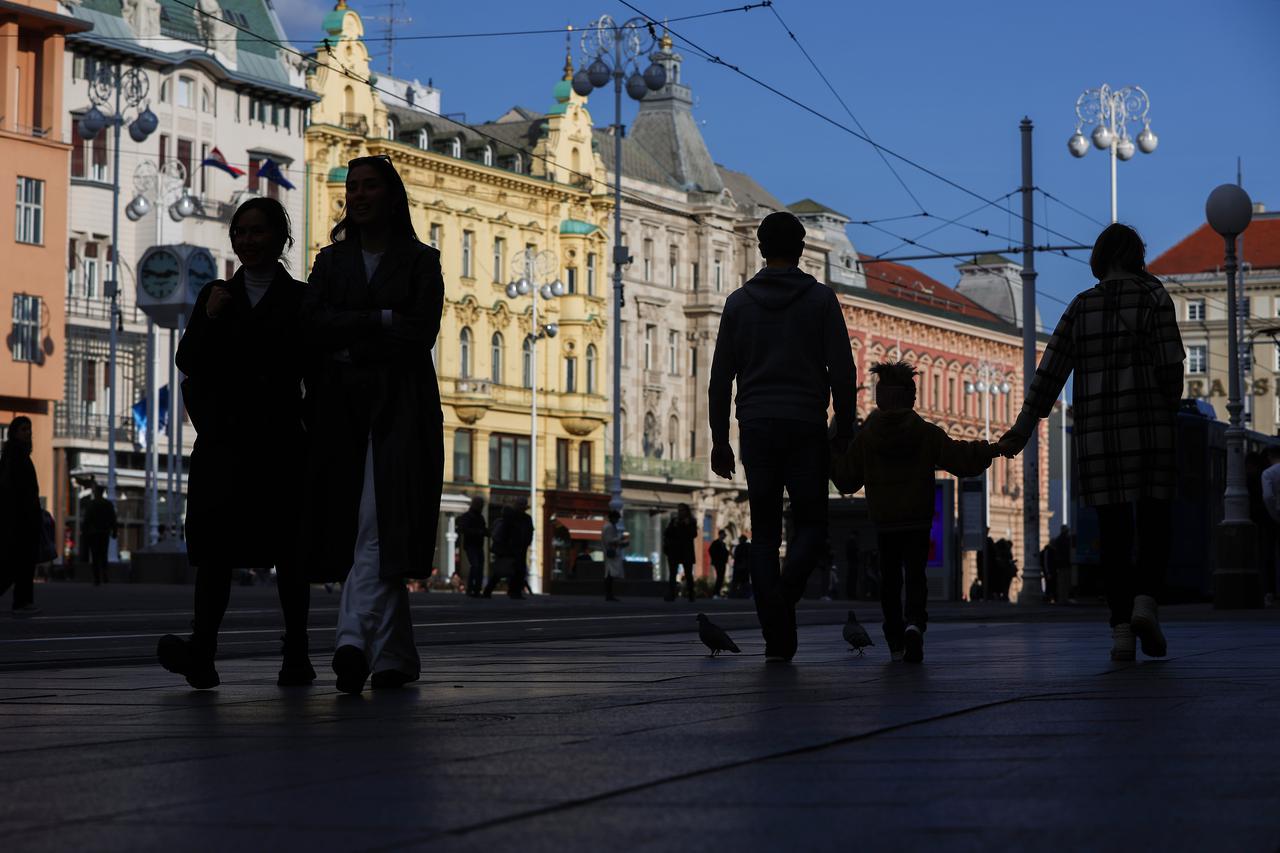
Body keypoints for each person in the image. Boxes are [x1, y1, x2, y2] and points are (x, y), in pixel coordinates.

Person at [999, 223, 1184, 662]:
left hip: (1099, 439)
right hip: (1150, 432)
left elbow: (1050, 376)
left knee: (1114, 534)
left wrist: (1023, 428)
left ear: (1099, 259)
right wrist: (1163, 400)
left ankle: (1120, 629)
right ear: (1137, 256)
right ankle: (1145, 603)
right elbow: (1172, 369)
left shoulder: (1081, 307)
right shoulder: (1155, 298)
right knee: (1154, 523)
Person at [299, 155, 445, 694]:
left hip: (400, 409)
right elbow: (312, 325)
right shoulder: (331, 261)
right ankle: (396, 658)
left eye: (368, 187)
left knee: (377, 521)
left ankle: (350, 640)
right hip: (340, 410)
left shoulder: (420, 261)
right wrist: (381, 319)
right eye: (351, 188)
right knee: (368, 525)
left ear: (391, 195)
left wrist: (351, 334)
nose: (357, 196)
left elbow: (420, 332)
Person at [155, 197, 312, 690]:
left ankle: (297, 652)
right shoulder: (216, 294)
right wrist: (213, 316)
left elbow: (314, 368)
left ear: (280, 238)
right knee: (215, 552)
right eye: (240, 232)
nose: (246, 240)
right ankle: (203, 651)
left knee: (290, 552)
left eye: (257, 231)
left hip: (280, 442)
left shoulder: (302, 299)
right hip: (224, 443)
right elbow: (188, 360)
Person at [708, 210, 855, 661]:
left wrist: (720, 439)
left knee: (766, 530)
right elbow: (844, 372)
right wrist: (844, 428)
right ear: (802, 249)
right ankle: (783, 598)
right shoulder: (821, 301)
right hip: (806, 426)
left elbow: (719, 379)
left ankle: (776, 627)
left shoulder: (738, 303)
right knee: (812, 524)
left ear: (760, 248)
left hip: (756, 427)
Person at [831, 361, 997, 662]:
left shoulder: (867, 436)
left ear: (881, 397)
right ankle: (915, 626)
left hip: (884, 521)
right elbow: (960, 459)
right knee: (916, 576)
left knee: (890, 580)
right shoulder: (924, 432)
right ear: (909, 397)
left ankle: (894, 639)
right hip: (918, 519)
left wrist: (830, 449)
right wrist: (990, 450)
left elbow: (846, 479)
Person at [0, 416, 43, 616]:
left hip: (23, 518)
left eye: (29, 429)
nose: (28, 433)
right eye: (23, 429)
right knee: (17, 563)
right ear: (15, 433)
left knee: (21, 563)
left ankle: (23, 600)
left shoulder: (19, 455)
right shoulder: (15, 456)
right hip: (18, 520)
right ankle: (22, 601)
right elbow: (11, 489)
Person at [485, 496, 533, 599]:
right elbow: (505, 533)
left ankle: (514, 592)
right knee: (502, 570)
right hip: (509, 549)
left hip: (519, 548)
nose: (522, 507)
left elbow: (529, 532)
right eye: (520, 505)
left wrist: (526, 543)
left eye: (523, 505)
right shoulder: (512, 517)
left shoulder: (525, 518)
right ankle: (489, 591)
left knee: (518, 571)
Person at [81, 485, 117, 586]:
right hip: (104, 532)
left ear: (96, 492)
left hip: (93, 533)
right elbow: (113, 518)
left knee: (95, 555)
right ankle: (105, 574)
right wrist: (114, 530)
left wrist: (84, 531)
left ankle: (97, 578)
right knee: (103, 554)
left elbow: (87, 519)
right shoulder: (107, 504)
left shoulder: (91, 504)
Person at [662, 505, 698, 602]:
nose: (680, 512)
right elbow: (667, 533)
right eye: (679, 510)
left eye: (682, 510)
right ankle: (672, 594)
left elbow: (694, 534)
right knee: (673, 573)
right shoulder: (674, 521)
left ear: (687, 511)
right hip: (675, 551)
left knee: (688, 574)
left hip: (686, 551)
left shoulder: (691, 521)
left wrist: (687, 525)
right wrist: (674, 525)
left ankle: (691, 594)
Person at [456, 496, 489, 598]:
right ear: (476, 505)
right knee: (475, 565)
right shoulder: (468, 516)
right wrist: (479, 532)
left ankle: (476, 590)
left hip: (478, 545)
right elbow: (463, 529)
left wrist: (486, 532)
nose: (482, 507)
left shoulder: (480, 517)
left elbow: (483, 529)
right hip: (471, 545)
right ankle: (471, 589)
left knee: (479, 567)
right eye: (480, 505)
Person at [601, 510, 628, 602]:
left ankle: (609, 594)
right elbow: (609, 540)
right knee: (610, 574)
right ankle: (609, 594)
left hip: (609, 552)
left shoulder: (608, 526)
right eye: (617, 518)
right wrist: (620, 539)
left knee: (610, 574)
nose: (617, 520)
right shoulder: (609, 527)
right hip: (611, 552)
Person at [709, 529, 730, 598]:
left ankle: (717, 592)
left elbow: (726, 553)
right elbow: (711, 551)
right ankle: (715, 593)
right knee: (719, 577)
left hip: (723, 563)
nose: (724, 536)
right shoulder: (716, 543)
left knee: (721, 577)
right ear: (720, 535)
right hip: (718, 562)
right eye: (723, 535)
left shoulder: (723, 544)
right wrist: (716, 558)